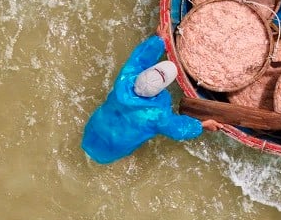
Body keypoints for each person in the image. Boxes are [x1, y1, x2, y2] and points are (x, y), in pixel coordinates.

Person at [81, 33, 219, 164]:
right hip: (115, 148)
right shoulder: (156, 116)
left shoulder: (125, 80)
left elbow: (139, 60)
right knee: (118, 148)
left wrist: (158, 40)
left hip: (95, 128)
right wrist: (201, 125)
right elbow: (177, 129)